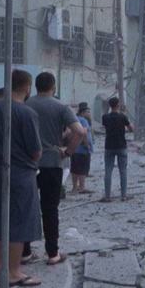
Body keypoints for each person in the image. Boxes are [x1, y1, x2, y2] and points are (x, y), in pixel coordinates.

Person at [0, 69, 43, 287]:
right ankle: (14, 271)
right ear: (27, 87)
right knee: (20, 220)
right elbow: (35, 150)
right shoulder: (26, 113)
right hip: (21, 171)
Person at [26, 72, 85, 265]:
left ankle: (25, 251)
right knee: (50, 209)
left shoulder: (26, 105)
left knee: (26, 207)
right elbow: (80, 131)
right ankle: (52, 253)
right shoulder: (61, 107)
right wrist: (68, 152)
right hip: (52, 164)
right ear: (54, 87)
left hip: (28, 165)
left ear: (36, 86)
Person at [101, 97, 133, 202]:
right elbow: (131, 129)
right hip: (121, 146)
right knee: (123, 171)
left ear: (110, 105)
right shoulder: (123, 117)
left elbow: (106, 126)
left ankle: (107, 196)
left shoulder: (105, 117)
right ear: (118, 105)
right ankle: (123, 195)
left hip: (109, 146)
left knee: (108, 171)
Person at [70, 103, 93, 194]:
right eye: (88, 111)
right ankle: (82, 187)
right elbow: (83, 133)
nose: (89, 113)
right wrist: (86, 144)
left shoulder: (74, 119)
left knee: (74, 169)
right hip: (82, 149)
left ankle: (75, 187)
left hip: (74, 147)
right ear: (83, 112)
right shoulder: (83, 120)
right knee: (83, 169)